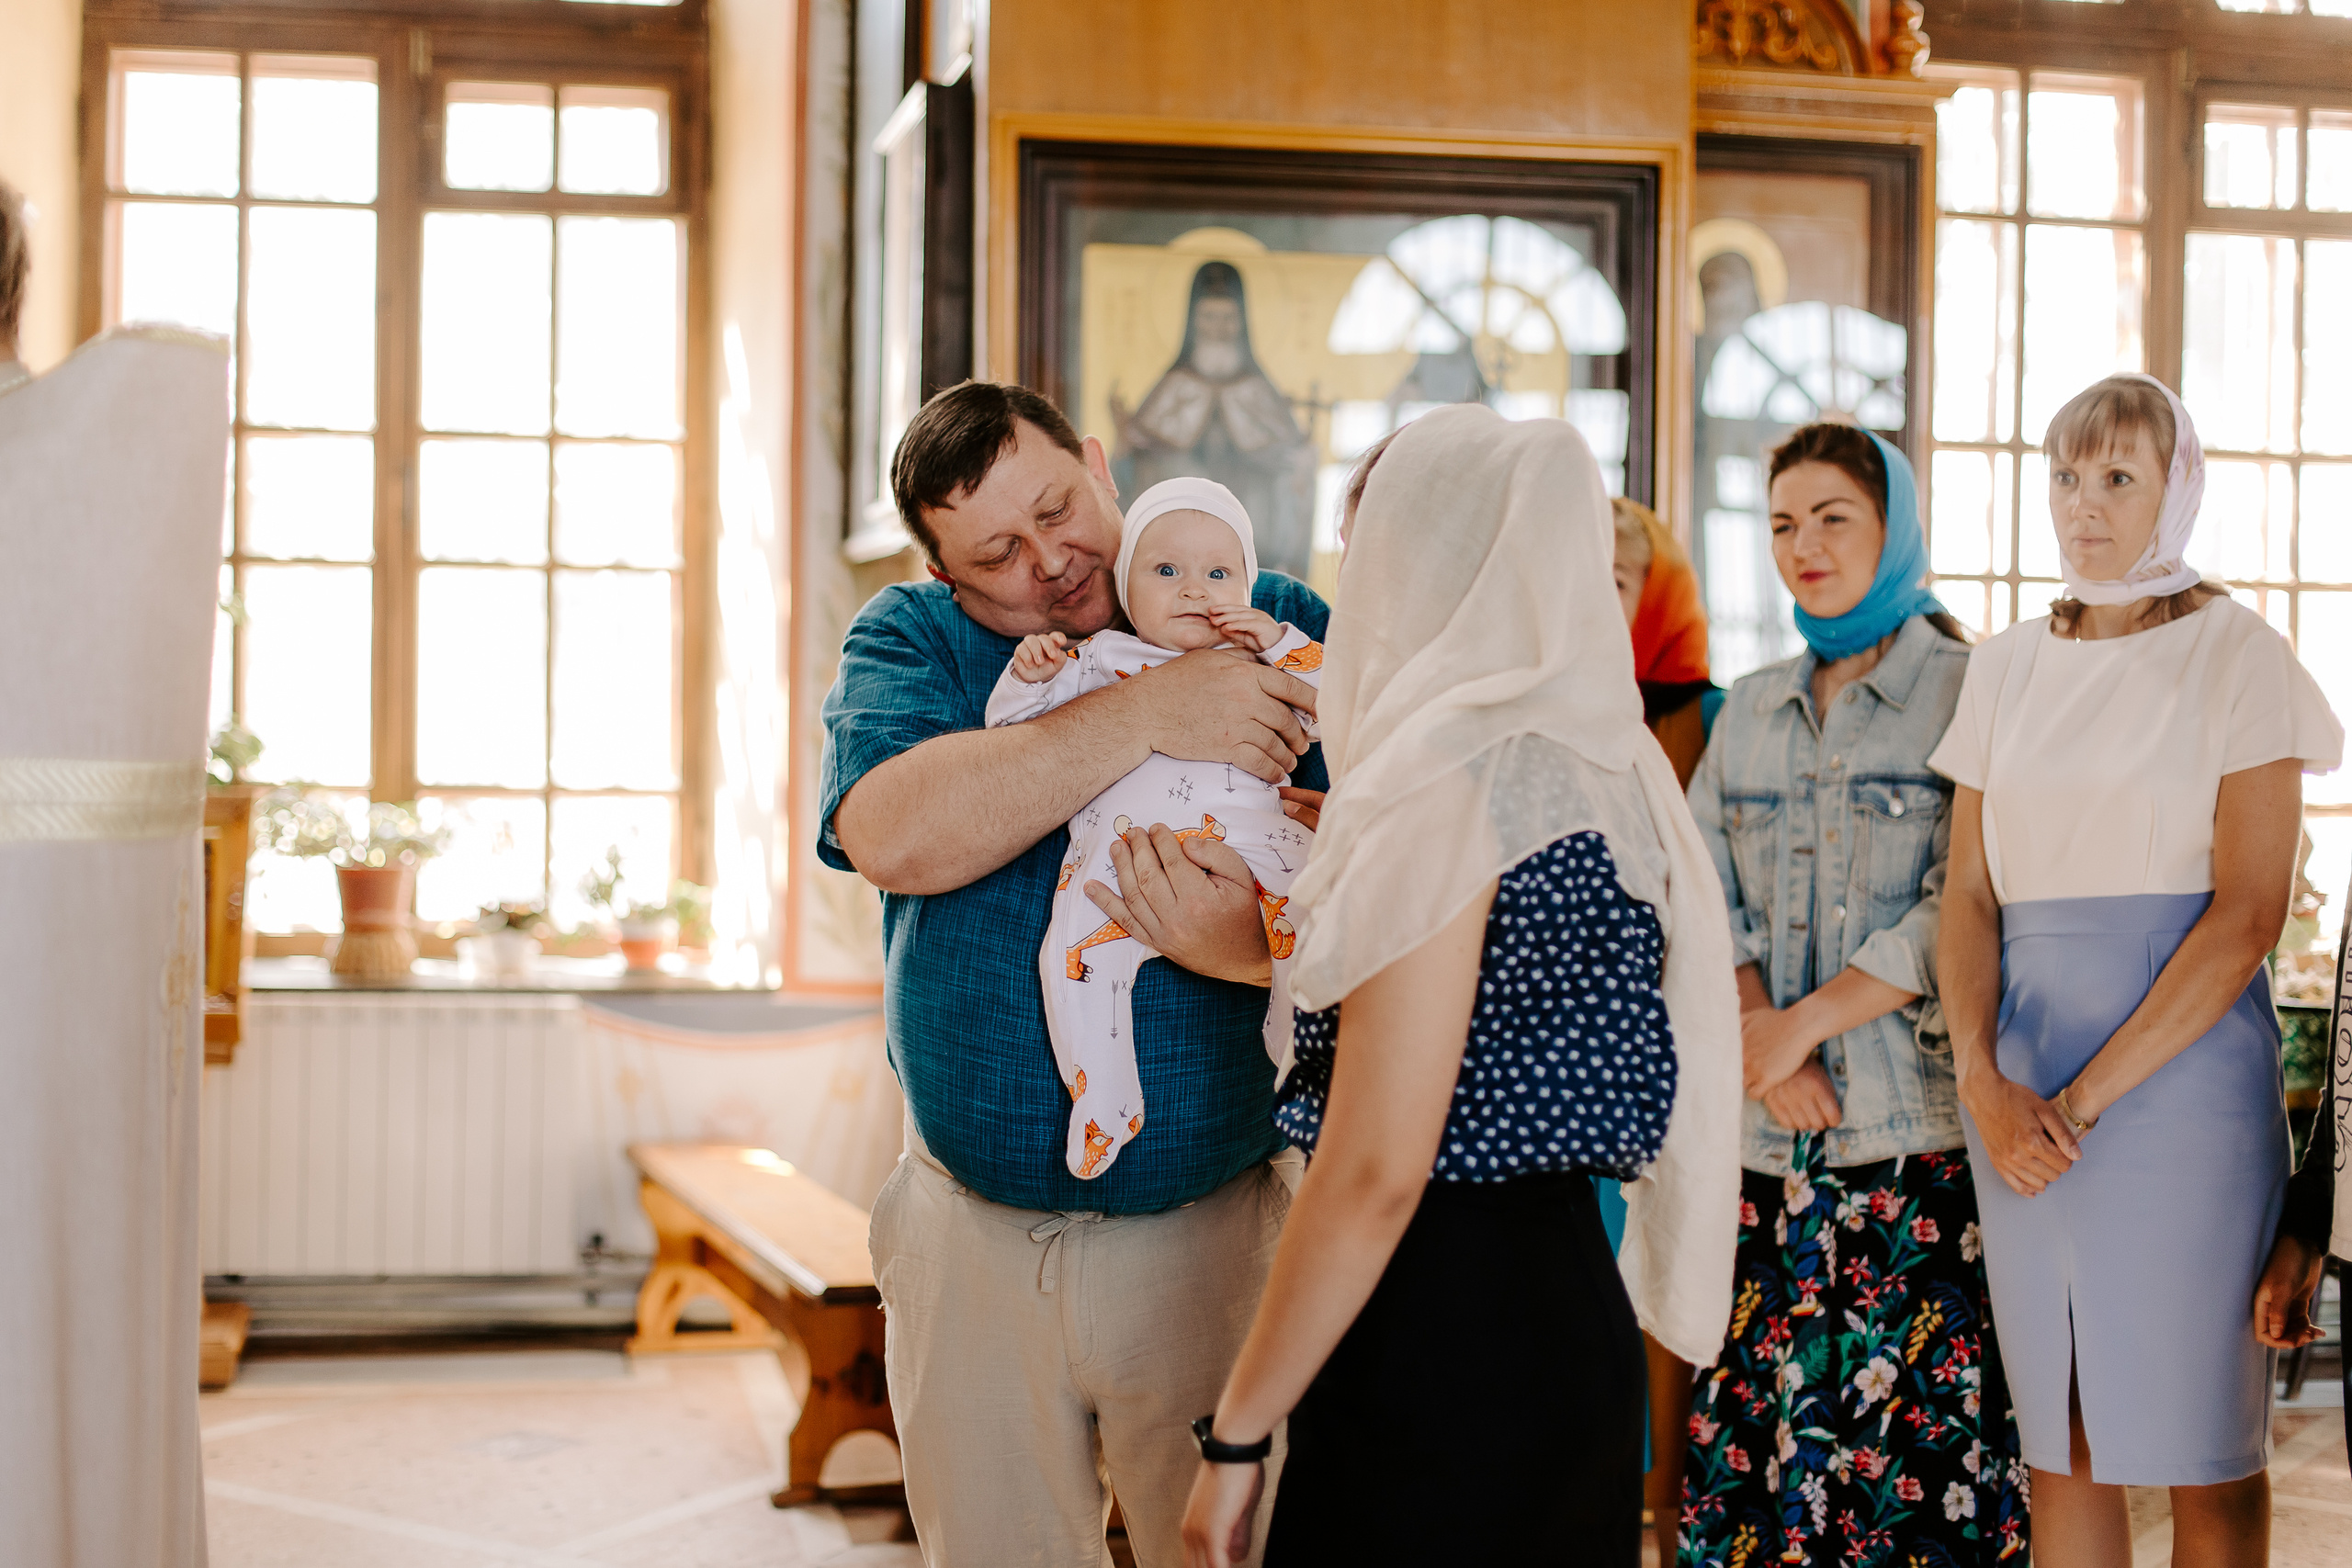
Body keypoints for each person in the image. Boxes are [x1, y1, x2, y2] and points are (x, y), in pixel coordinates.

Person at [1177, 405, 1744, 1567]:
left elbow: (1377, 1170)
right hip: (1570, 1324)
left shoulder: (1447, 783)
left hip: (1437, 1332)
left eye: (1367, 554)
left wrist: (1236, 1435)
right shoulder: (1602, 766)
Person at [820, 381, 1327, 1564]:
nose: (1050, 562)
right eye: (997, 553)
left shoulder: (1263, 610)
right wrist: (1153, 709)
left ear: (1098, 465)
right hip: (969, 1248)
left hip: (1218, 1236)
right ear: (946, 577)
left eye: (1056, 509)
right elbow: (894, 832)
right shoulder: (912, 639)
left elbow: (1388, 862)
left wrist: (1244, 949)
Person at [1931, 374, 2343, 1567]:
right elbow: (1966, 895)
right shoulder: (2003, 665)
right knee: (2060, 1438)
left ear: (2178, 490)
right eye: (2066, 475)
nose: (2084, 504)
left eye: (2118, 476)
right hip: (2018, 1089)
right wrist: (1982, 1081)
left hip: (2180, 1091)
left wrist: (2081, 1102)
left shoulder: (2241, 653)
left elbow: (2248, 911)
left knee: (2201, 1445)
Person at [1678, 422, 2026, 1567]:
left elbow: (1962, 902)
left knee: (1904, 1483)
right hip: (1766, 1146)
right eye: (1783, 523)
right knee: (1764, 1470)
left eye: (1834, 518)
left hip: (1910, 1138)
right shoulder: (1748, 707)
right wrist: (1759, 1040)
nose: (1804, 546)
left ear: (1895, 528)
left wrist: (1799, 1030)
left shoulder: (1969, 689)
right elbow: (1700, 885)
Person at [986, 477, 1322, 1179]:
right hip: (1119, 858)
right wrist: (1030, 677)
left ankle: (1297, 1042)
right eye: (1166, 570)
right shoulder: (1102, 658)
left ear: (1250, 588)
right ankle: (1105, 1099)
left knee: (1316, 899)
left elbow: (1342, 706)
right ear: (1126, 590)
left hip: (1253, 838)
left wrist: (1281, 639)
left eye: (1219, 573)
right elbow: (1010, 733)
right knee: (1069, 954)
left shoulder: (1258, 657)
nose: (1194, 589)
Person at [1110, 261, 1318, 581]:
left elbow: (1290, 464)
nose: (1217, 328)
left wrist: (1298, 462)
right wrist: (1128, 442)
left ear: (1241, 322)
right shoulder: (1175, 386)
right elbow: (1134, 459)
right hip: (1178, 546)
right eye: (1209, 317)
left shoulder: (1256, 389)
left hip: (1251, 545)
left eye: (1227, 318)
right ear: (1193, 321)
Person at [1611, 496, 1720, 787]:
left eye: (1617, 582)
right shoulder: (1553, 700)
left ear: (1660, 600)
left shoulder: (1712, 718)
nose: (1596, 596)